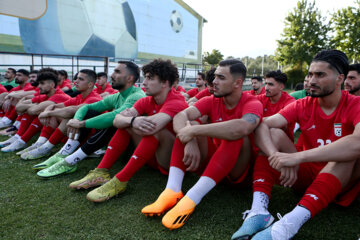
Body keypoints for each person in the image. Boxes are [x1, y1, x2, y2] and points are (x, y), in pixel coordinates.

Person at [231, 50, 360, 240]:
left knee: (346, 153)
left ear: (339, 78)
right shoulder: (303, 104)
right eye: (310, 74)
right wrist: (276, 155)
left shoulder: (355, 104)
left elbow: (357, 143)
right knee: (273, 133)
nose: (311, 80)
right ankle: (259, 211)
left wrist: (297, 157)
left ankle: (288, 225)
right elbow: (262, 124)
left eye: (320, 75)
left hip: (340, 180)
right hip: (303, 176)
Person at [142, 59, 263, 230]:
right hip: (214, 168)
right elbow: (180, 116)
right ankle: (172, 190)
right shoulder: (212, 100)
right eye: (215, 77)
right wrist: (190, 136)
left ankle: (192, 198)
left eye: (221, 77)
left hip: (239, 174)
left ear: (238, 83)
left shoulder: (252, 102)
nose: (214, 81)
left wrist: (194, 131)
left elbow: (242, 127)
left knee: (232, 135)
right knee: (187, 128)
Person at [68, 59, 188, 203]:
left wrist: (131, 120)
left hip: (170, 161)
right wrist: (132, 120)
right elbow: (117, 120)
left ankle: (121, 180)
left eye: (150, 78)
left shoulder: (176, 101)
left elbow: (153, 126)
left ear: (165, 83)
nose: (144, 83)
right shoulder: (146, 100)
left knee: (152, 129)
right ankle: (101, 172)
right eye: (145, 78)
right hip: (150, 156)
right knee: (127, 124)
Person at [35, 61, 146, 177]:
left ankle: (69, 161)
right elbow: (86, 107)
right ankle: (63, 153)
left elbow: (114, 117)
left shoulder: (137, 96)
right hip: (116, 141)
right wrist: (77, 121)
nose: (112, 75)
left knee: (115, 121)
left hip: (136, 147)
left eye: (117, 72)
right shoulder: (118, 95)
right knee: (90, 112)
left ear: (129, 78)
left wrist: (82, 124)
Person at [20, 69, 102, 160]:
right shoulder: (80, 96)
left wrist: (47, 112)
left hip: (89, 138)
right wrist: (46, 111)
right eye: (77, 78)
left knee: (67, 116)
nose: (76, 81)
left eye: (80, 79)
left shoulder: (93, 98)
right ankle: (40, 143)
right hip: (74, 134)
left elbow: (70, 111)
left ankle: (43, 146)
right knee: (55, 114)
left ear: (90, 84)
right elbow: (54, 106)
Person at [0, 70, 71, 152]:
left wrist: (36, 107)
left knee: (46, 113)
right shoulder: (45, 95)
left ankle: (27, 140)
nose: (39, 86)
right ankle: (19, 138)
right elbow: (18, 108)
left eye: (42, 83)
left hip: (67, 134)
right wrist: (36, 106)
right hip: (59, 129)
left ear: (52, 85)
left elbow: (32, 110)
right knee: (40, 111)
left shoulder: (59, 95)